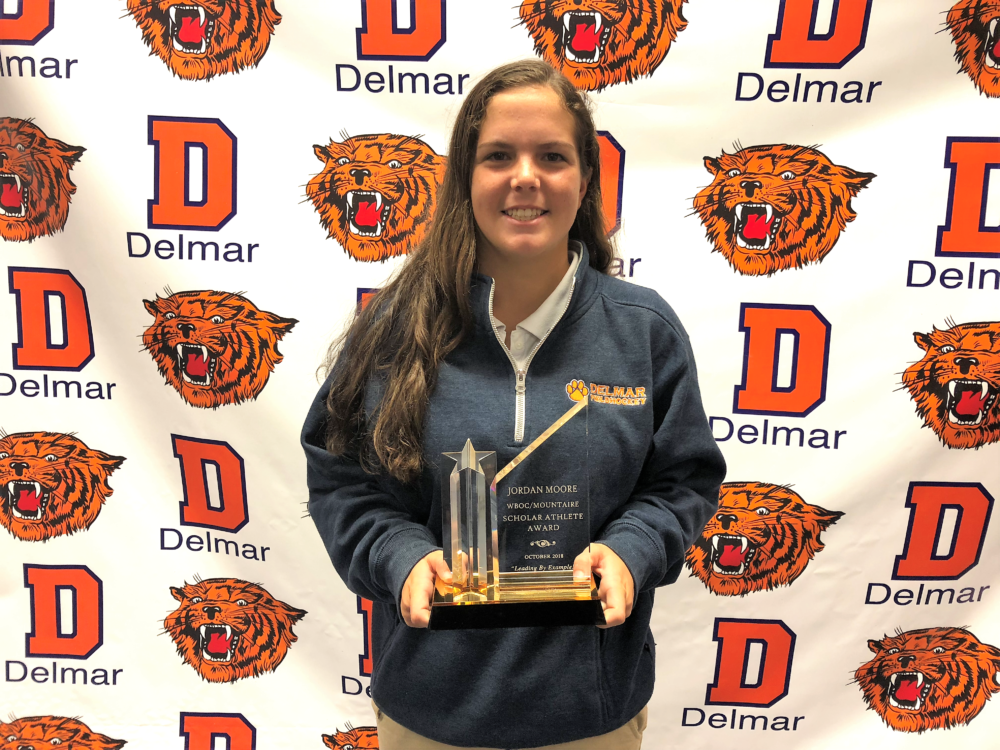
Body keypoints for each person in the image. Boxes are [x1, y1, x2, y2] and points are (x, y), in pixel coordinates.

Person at [302, 59, 726, 750]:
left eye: (552, 156)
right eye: (498, 156)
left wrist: (631, 550)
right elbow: (344, 485)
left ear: (583, 180)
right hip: (429, 713)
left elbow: (682, 482)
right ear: (465, 180)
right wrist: (400, 555)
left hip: (591, 718)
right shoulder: (393, 328)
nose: (525, 177)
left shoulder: (644, 331)